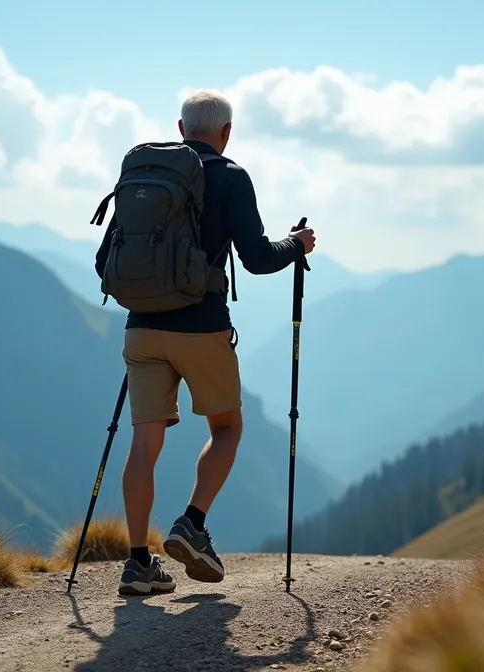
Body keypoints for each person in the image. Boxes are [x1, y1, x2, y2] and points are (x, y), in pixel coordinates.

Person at [94, 89, 317, 597]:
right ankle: (191, 523)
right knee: (227, 428)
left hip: (141, 327)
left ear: (180, 129)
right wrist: (296, 245)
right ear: (227, 132)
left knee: (144, 443)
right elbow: (258, 258)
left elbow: (105, 257)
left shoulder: (142, 177)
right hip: (201, 327)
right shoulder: (232, 176)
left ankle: (136, 564)